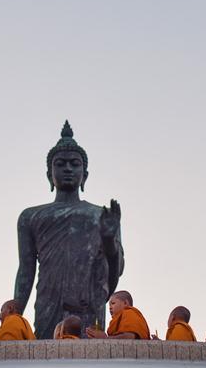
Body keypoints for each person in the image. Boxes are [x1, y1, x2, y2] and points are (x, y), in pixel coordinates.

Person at [14, 122, 125, 339]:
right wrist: (13, 320)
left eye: (74, 164)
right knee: (46, 355)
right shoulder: (31, 217)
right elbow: (26, 271)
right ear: (49, 174)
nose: (67, 169)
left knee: (90, 359)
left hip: (87, 300)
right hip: (49, 299)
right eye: (60, 164)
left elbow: (114, 273)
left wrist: (110, 241)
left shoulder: (100, 216)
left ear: (85, 175)